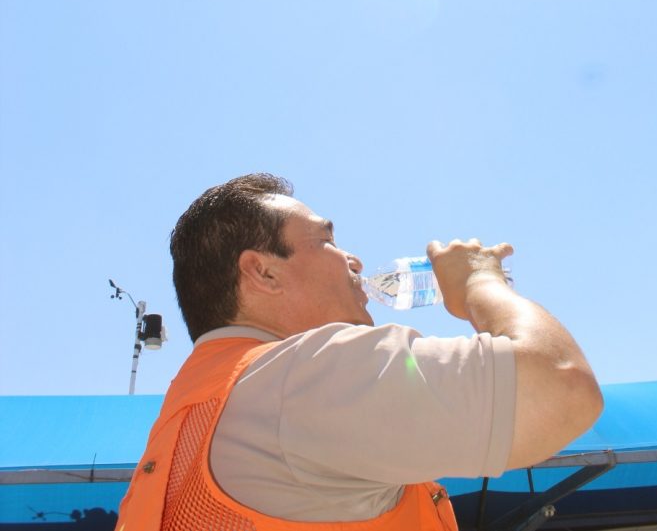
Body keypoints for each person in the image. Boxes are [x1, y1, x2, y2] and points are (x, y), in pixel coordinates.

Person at [117, 173, 603, 531]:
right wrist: (481, 280)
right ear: (263, 272)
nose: (354, 259)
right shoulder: (301, 379)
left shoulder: (193, 413)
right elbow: (561, 386)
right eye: (326, 240)